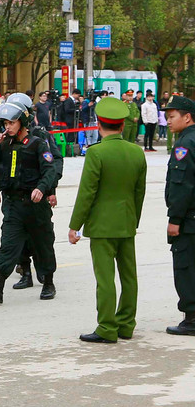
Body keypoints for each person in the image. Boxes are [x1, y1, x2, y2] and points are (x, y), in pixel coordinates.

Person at [68, 96, 146, 343]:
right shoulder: (136, 153)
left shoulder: (96, 153)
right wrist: (133, 220)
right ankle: (126, 325)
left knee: (105, 279)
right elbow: (139, 193)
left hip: (101, 226)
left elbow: (86, 193)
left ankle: (107, 327)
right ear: (123, 126)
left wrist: (74, 226)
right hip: (126, 223)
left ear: (99, 125)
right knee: (129, 276)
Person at [0, 103, 60, 304]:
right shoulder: (4, 144)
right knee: (8, 244)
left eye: (12, 122)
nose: (8, 127)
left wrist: (42, 188)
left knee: (43, 243)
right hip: (13, 204)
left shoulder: (37, 143)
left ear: (22, 122)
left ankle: (48, 282)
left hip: (35, 204)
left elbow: (50, 170)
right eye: (5, 123)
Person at [164, 95, 195, 336]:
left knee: (185, 267)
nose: (168, 121)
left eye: (172, 116)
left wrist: (175, 219)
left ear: (187, 117)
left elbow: (181, 184)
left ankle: (191, 318)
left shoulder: (185, 144)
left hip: (188, 220)